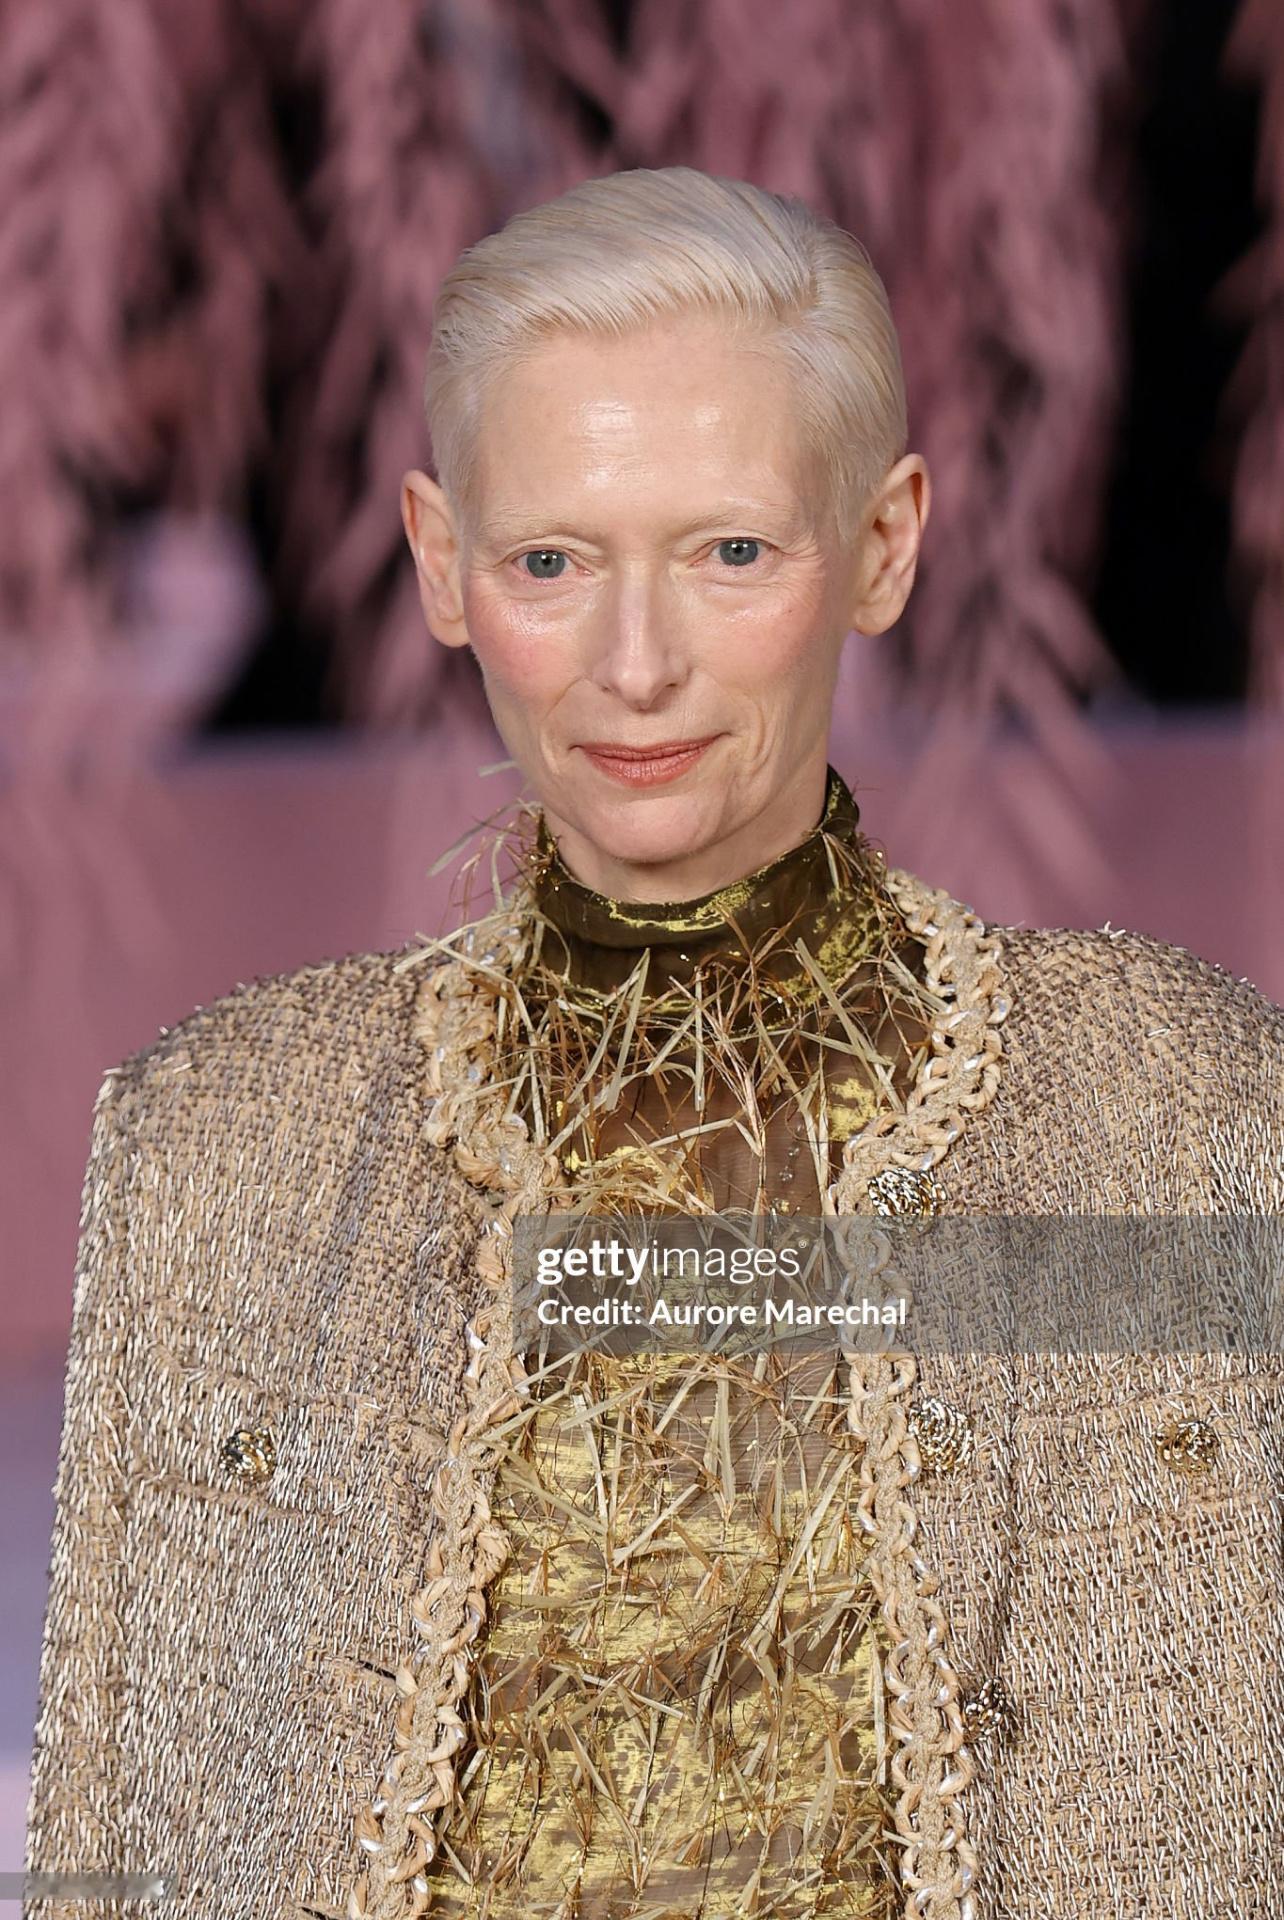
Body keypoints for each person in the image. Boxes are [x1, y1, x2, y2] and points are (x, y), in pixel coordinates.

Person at [22, 166, 1284, 1920]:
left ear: (886, 546)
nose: (635, 665)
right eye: (550, 561)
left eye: (730, 553)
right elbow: (122, 1825)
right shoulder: (221, 1146)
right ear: (442, 566)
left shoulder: (1173, 1109)